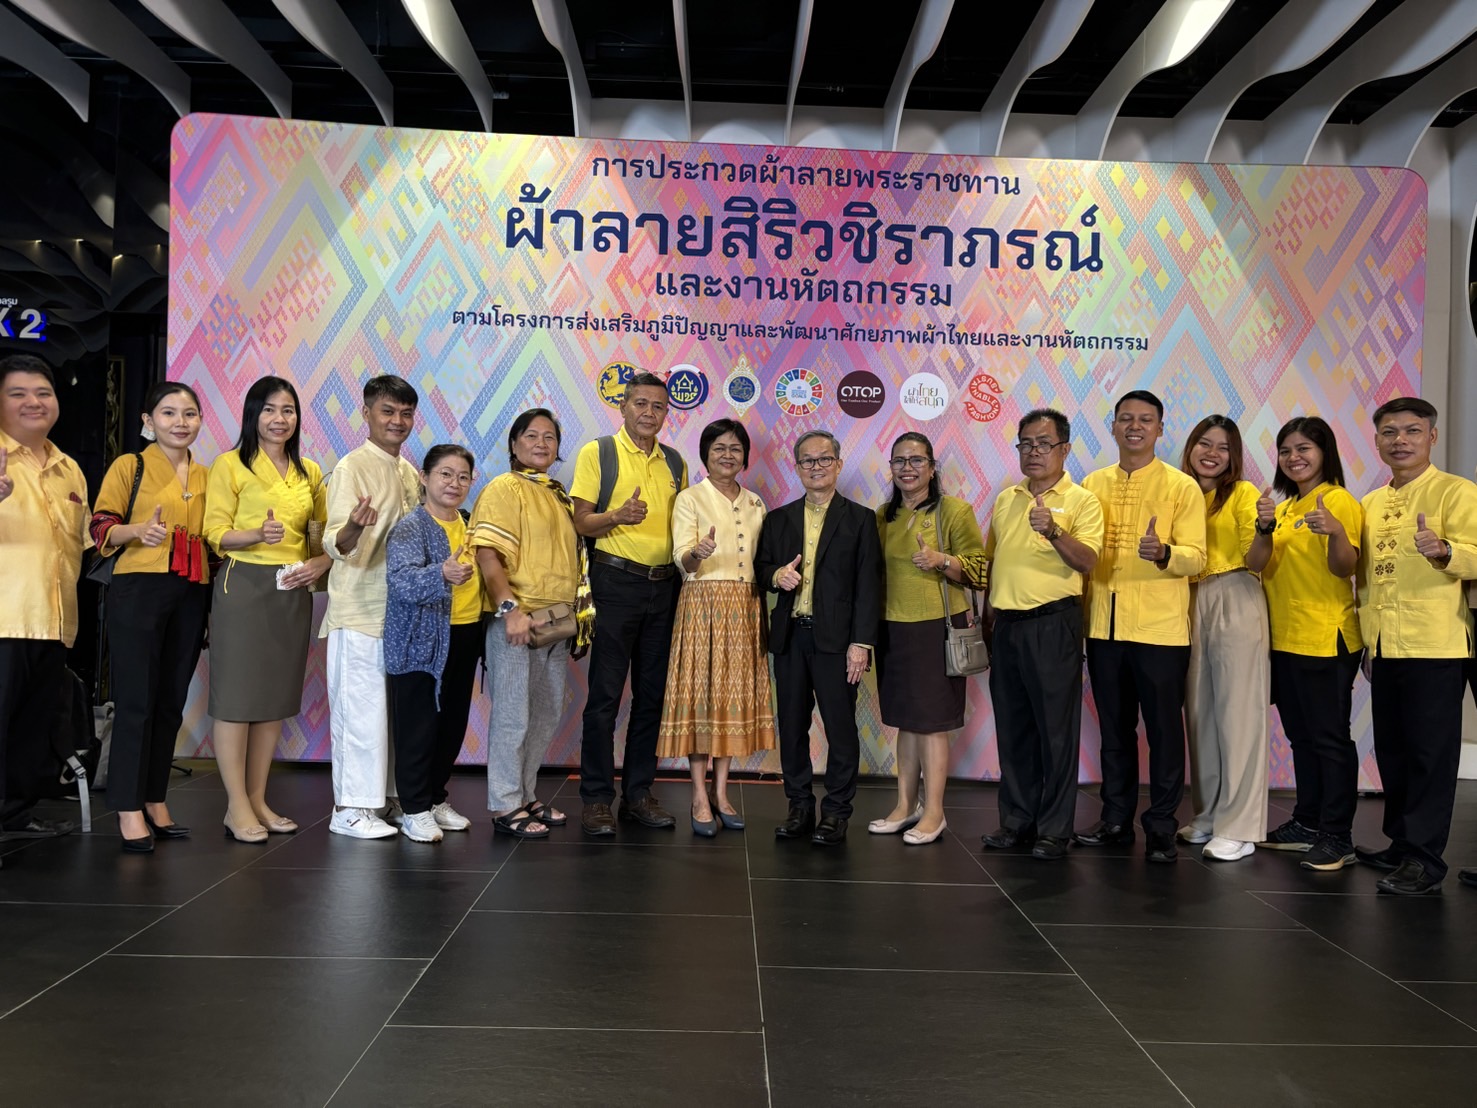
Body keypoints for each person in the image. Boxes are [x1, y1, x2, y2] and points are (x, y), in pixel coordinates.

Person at [1076, 390, 1207, 863]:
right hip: (1103, 628)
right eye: (1126, 418)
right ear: (1113, 426)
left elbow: (1198, 557)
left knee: (1165, 733)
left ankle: (1161, 827)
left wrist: (1166, 553)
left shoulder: (1181, 487)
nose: (1135, 426)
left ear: (1159, 429)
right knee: (1115, 731)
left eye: (1145, 420)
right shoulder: (1092, 484)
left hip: (1159, 632)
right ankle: (1115, 820)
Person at [1353, 398, 1477, 895]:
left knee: (1429, 756)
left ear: (1432, 437)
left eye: (1411, 430)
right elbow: (1364, 578)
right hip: (1384, 643)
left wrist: (1445, 551)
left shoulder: (1456, 492)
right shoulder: (1370, 502)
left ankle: (1425, 860)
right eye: (1389, 432)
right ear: (1377, 440)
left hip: (1436, 642)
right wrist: (1368, 642)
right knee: (1394, 751)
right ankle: (1402, 845)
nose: (1399, 440)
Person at [204, 376, 329, 843]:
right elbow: (214, 532)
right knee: (237, 699)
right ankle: (235, 804)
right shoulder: (230, 464)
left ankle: (258, 799)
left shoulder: (309, 471)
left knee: (273, 699)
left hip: (291, 589)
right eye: (270, 409)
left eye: (288, 410)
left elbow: (320, 535)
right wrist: (257, 533)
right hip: (244, 584)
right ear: (253, 415)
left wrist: (319, 562)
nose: (280, 419)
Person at [89, 382, 212, 852]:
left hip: (192, 588)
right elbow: (100, 525)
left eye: (190, 413)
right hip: (139, 587)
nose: (181, 422)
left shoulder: (206, 474)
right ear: (148, 420)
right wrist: (138, 530)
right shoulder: (130, 465)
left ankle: (155, 798)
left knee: (170, 700)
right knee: (136, 700)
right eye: (169, 413)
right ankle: (127, 806)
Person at [979, 409, 1103, 860]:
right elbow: (993, 564)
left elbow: (1088, 561)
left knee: (1056, 733)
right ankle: (1017, 822)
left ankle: (1054, 829)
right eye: (1026, 444)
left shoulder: (1083, 501)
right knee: (1013, 730)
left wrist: (1053, 530)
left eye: (1044, 444)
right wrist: (987, 619)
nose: (1034, 452)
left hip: (1054, 625)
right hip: (1007, 626)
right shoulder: (1006, 499)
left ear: (1064, 449)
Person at [571, 373, 688, 835]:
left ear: (666, 413)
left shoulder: (674, 461)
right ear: (623, 406)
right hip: (615, 583)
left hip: (665, 587)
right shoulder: (598, 452)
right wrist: (617, 516)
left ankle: (638, 794)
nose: (648, 413)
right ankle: (597, 798)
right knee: (604, 697)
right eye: (640, 403)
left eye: (658, 406)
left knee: (651, 697)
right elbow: (581, 522)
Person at [1246, 416, 1364, 870]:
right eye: (1286, 450)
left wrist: (1336, 533)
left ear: (1324, 453)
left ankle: (1337, 836)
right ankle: (1307, 822)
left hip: (1325, 637)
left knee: (1329, 739)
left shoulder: (1338, 500)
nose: (1294, 457)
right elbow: (1257, 564)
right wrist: (1264, 526)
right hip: (1285, 638)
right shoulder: (1285, 508)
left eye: (1304, 448)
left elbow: (1345, 568)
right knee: (1301, 737)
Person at [755, 430, 882, 845]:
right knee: (792, 727)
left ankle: (836, 813)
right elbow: (761, 569)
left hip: (839, 644)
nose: (816, 467)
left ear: (838, 464)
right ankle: (799, 807)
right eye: (808, 460)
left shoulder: (860, 519)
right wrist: (777, 575)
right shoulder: (779, 519)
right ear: (797, 468)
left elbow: (869, 586)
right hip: (790, 638)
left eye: (824, 459)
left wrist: (861, 643)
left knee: (840, 729)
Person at [473, 409, 592, 838]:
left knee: (544, 713)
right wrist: (509, 609)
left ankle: (525, 794)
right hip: (519, 619)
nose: (541, 443)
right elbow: (487, 553)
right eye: (531, 435)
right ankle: (505, 803)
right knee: (513, 715)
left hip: (555, 619)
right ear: (514, 443)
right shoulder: (504, 488)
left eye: (549, 437)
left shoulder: (557, 494)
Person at [656, 419, 774, 836]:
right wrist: (698, 552)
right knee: (702, 698)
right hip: (702, 604)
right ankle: (698, 795)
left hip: (746, 605)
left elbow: (763, 561)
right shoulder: (689, 498)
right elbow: (682, 561)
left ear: (745, 456)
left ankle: (722, 793)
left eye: (735, 448)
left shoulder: (756, 503)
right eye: (719, 448)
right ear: (705, 454)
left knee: (731, 699)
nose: (728, 455)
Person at [869, 432, 985, 846]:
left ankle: (934, 812)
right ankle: (905, 806)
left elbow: (980, 570)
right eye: (899, 461)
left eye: (917, 460)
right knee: (907, 721)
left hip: (939, 626)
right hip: (892, 628)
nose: (908, 468)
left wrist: (942, 560)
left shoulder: (954, 511)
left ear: (933, 468)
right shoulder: (882, 516)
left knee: (933, 724)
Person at [321, 375, 422, 840]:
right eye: (387, 411)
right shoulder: (352, 467)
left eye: (405, 413)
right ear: (366, 414)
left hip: (399, 613)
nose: (397, 421)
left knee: (390, 714)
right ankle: (350, 808)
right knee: (359, 712)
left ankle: (385, 800)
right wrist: (354, 528)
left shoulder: (408, 471)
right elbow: (335, 541)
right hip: (359, 608)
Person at [0, 353, 85, 848]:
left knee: (32, 730)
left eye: (43, 393)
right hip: (5, 619)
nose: (33, 402)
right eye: (18, 393)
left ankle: (14, 814)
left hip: (53, 621)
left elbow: (80, 544)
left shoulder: (68, 468)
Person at [1176, 415, 1269, 862]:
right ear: (1191, 446)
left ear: (1234, 457)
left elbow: (1257, 559)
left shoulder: (1243, 494)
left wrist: (1266, 529)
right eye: (1204, 443)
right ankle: (1210, 813)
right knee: (1200, 712)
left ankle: (1241, 826)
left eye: (1223, 447)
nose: (1211, 453)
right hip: (1189, 599)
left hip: (1236, 592)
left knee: (1239, 714)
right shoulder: (1182, 493)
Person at [384, 445, 482, 843]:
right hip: (420, 642)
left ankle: (436, 797)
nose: (454, 483)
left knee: (452, 723)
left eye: (463, 476)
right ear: (424, 478)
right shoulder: (411, 527)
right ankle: (413, 808)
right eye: (445, 474)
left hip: (466, 632)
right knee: (418, 727)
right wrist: (441, 572)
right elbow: (401, 581)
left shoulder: (470, 523)